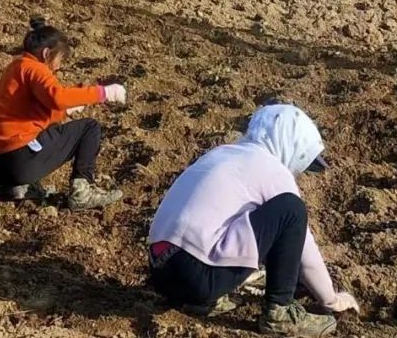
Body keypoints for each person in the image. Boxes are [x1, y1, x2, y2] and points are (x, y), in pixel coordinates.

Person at [147, 104, 359, 337]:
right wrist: (332, 300)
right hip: (197, 276)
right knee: (292, 210)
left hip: (160, 271)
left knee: (248, 221)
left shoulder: (222, 153)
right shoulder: (274, 171)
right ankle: (279, 314)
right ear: (290, 145)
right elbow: (304, 252)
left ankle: (199, 301)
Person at [0, 18, 127, 208]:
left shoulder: (16, 67)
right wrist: (103, 92)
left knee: (47, 131)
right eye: (60, 60)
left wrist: (65, 110)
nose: (58, 67)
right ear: (47, 53)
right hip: (17, 160)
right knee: (89, 127)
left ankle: (18, 187)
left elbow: (39, 114)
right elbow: (58, 97)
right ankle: (82, 191)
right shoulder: (34, 68)